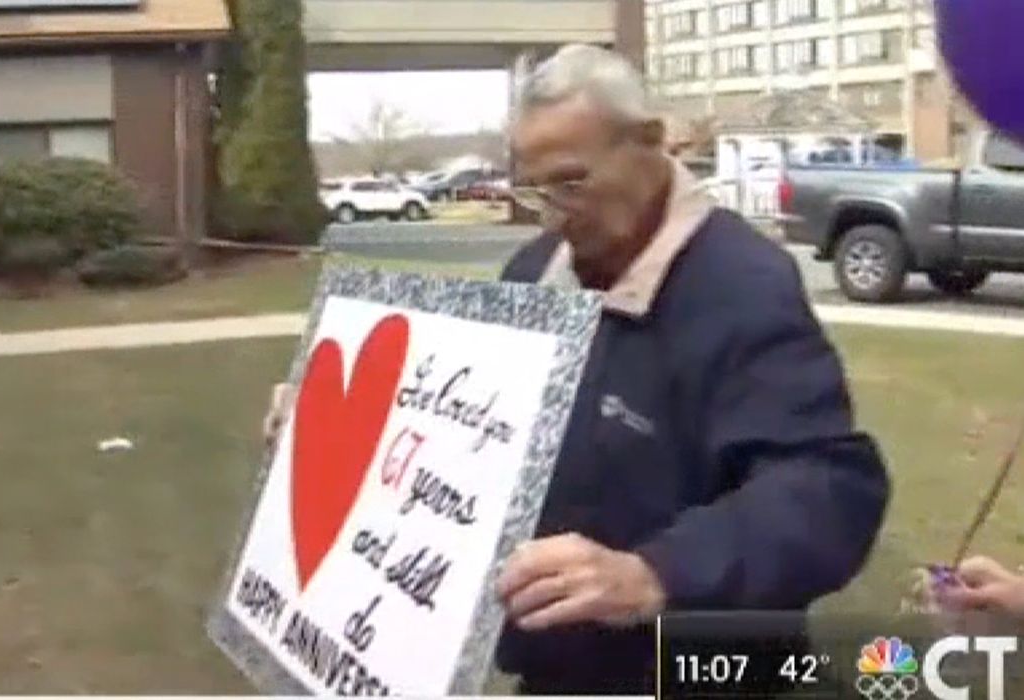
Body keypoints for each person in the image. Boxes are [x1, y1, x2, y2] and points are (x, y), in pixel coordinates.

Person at [263, 44, 890, 695]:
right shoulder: (533, 271)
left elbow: (827, 489)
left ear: (650, 144)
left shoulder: (741, 284)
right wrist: (330, 431)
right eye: (534, 191)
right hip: (555, 670)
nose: (554, 214)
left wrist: (655, 573)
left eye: (571, 182)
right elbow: (461, 440)